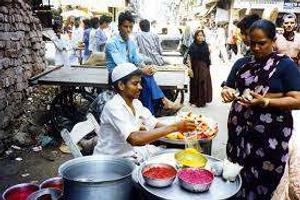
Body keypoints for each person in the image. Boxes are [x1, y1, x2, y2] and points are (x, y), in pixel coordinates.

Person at [221, 19, 300, 199]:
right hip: (239, 134)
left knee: (262, 182)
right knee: (236, 177)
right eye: (251, 43)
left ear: (273, 41)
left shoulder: (285, 65)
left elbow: (298, 99)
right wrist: (227, 91)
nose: (256, 48)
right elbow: (228, 86)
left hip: (270, 137)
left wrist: (266, 102)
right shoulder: (241, 63)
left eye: (261, 43)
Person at [93, 63, 196, 162]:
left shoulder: (136, 103)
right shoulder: (114, 106)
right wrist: (175, 127)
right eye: (135, 84)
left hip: (131, 153)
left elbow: (155, 124)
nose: (140, 87)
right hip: (112, 161)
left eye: (140, 83)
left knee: (174, 155)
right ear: (121, 85)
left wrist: (181, 129)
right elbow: (134, 139)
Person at [105, 11, 181, 115]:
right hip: (117, 78)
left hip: (129, 76)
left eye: (130, 27)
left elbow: (136, 59)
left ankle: (150, 113)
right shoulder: (111, 43)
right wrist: (142, 70)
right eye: (125, 26)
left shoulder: (130, 42)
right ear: (119, 27)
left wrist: (146, 67)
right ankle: (163, 102)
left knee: (146, 82)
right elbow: (122, 65)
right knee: (145, 77)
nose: (128, 30)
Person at [187, 29, 212, 107]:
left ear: (204, 36)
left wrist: (208, 67)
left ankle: (202, 101)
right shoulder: (192, 46)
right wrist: (190, 68)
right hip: (195, 67)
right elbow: (189, 58)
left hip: (204, 67)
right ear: (195, 36)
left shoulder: (206, 45)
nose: (200, 37)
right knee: (195, 83)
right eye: (198, 35)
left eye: (201, 35)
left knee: (203, 83)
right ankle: (194, 101)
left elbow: (208, 57)